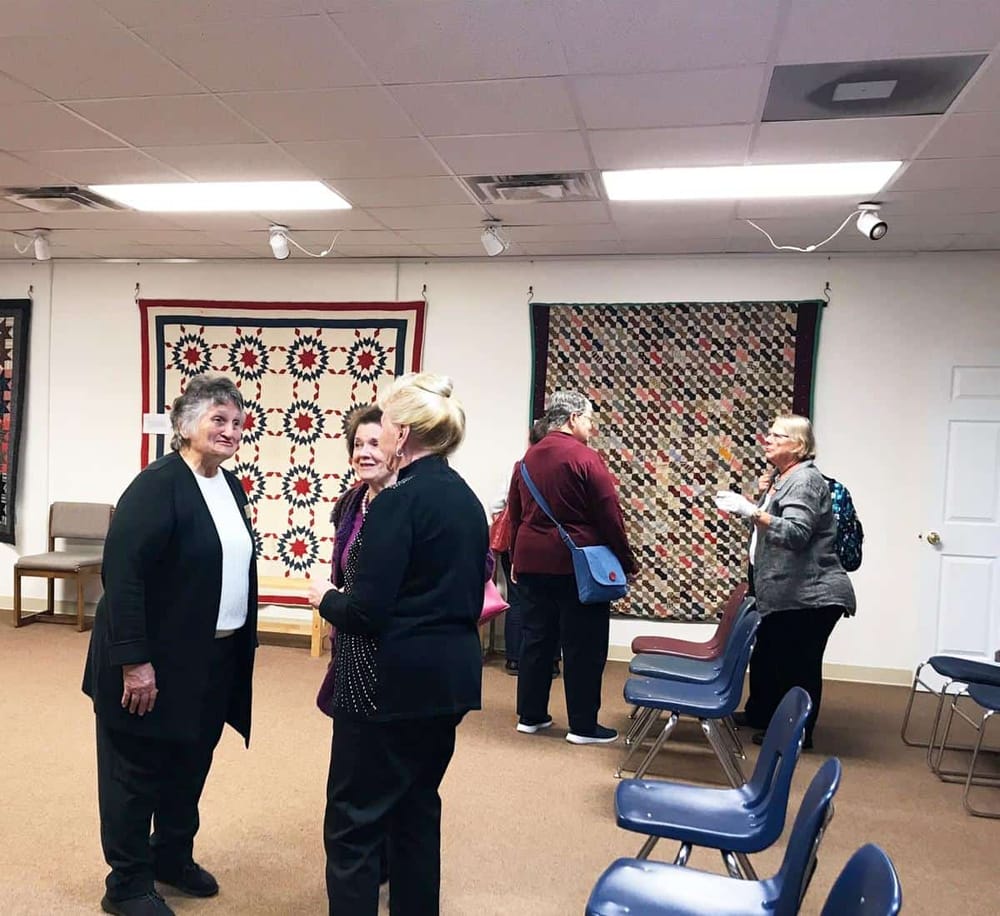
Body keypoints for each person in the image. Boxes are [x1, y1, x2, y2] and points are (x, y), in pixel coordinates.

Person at [308, 372, 486, 916]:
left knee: (353, 824)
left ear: (402, 432)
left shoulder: (396, 503)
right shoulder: (464, 498)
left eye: (382, 421)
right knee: (414, 811)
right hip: (446, 681)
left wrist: (324, 597)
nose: (375, 430)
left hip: (384, 686)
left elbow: (365, 611)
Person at [82, 374, 257, 916]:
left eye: (236, 421)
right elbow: (124, 576)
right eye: (217, 420)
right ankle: (128, 884)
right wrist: (134, 662)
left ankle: (171, 857)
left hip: (208, 660)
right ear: (185, 426)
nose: (230, 430)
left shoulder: (229, 486)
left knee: (189, 763)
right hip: (148, 663)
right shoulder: (157, 485)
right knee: (134, 772)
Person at [715, 413, 856, 750]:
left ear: (798, 446)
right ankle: (762, 713)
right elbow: (770, 529)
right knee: (768, 655)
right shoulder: (782, 478)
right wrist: (761, 500)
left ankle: (797, 734)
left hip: (812, 596)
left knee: (799, 666)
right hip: (786, 592)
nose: (768, 439)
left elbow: (795, 533)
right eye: (770, 433)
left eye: (778, 436)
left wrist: (752, 510)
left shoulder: (804, 481)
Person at [507, 390, 638, 745]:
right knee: (584, 644)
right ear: (572, 419)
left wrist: (517, 559)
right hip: (576, 564)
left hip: (532, 560)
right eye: (589, 420)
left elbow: (514, 514)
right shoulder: (585, 458)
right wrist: (626, 560)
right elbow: (609, 513)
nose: (591, 427)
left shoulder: (526, 460)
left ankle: (530, 716)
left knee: (536, 639)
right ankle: (582, 726)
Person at [315, 403, 396, 887]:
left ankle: (379, 859)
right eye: (358, 444)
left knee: (384, 762)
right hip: (352, 641)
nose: (365, 453)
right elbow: (340, 568)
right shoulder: (352, 504)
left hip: (390, 650)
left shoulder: (404, 503)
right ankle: (365, 861)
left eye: (374, 443)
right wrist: (333, 615)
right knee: (352, 761)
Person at [491, 418, 560, 678]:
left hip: (519, 543)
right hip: (554, 547)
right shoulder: (563, 468)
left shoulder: (519, 467)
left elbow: (496, 505)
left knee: (518, 600)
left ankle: (514, 659)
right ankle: (551, 661)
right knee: (554, 603)